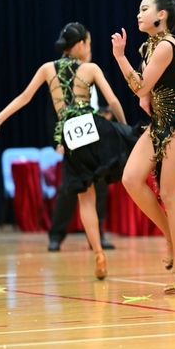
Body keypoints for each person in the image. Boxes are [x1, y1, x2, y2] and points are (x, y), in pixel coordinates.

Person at [0, 22, 137, 279]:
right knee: (135, 144)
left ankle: (98, 253)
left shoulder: (46, 69)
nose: (90, 48)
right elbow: (114, 101)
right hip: (94, 130)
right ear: (80, 44)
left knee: (86, 198)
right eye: (89, 43)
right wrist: (124, 129)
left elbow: (24, 98)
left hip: (70, 137)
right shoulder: (91, 68)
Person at [111, 0, 175, 294]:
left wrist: (120, 57)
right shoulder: (151, 46)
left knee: (169, 194)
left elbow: (141, 86)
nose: (139, 14)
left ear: (162, 15)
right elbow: (149, 90)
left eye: (144, 9)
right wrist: (146, 97)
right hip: (160, 120)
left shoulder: (167, 45)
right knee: (130, 178)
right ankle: (170, 236)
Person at [47, 87, 115, 252]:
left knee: (100, 189)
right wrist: (57, 141)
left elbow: (109, 106)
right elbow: (54, 114)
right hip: (74, 142)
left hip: (96, 141)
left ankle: (96, 237)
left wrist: (108, 116)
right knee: (68, 190)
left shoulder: (99, 79)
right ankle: (56, 236)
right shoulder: (65, 82)